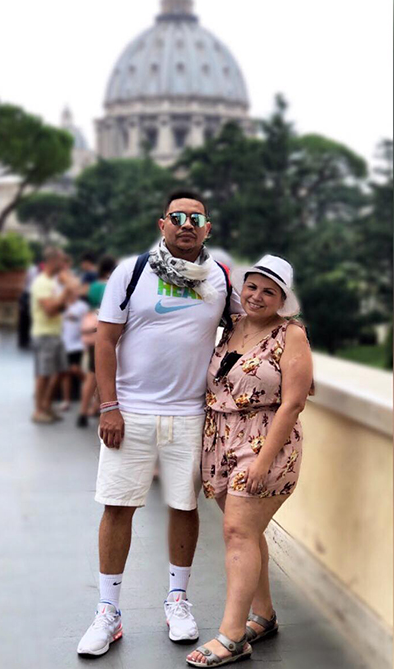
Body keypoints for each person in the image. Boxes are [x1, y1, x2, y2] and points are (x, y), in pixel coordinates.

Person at [77, 189, 241, 657]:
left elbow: (245, 327)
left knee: (183, 507)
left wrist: (293, 356)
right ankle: (108, 612)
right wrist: (109, 407)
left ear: (207, 229)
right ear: (161, 224)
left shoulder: (219, 277)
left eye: (196, 218)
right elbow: (105, 342)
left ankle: (178, 599)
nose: (186, 224)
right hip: (131, 411)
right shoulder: (131, 273)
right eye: (177, 217)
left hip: (190, 412)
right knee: (117, 506)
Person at [186, 254, 313, 667]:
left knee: (238, 531)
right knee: (248, 532)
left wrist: (262, 461)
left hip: (265, 445)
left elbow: (293, 402)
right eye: (252, 287)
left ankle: (233, 635)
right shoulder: (233, 327)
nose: (257, 296)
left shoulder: (290, 334)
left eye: (269, 291)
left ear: (282, 299)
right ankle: (264, 615)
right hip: (221, 441)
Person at [30, 248, 77, 424]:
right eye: (61, 261)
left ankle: (46, 405)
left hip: (55, 333)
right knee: (44, 374)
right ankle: (39, 410)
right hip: (44, 334)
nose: (64, 265)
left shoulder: (52, 282)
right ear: (53, 261)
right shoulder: (42, 282)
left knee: (60, 371)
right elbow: (50, 310)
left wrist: (66, 289)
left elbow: (71, 296)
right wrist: (66, 291)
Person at [76, 255, 116, 428]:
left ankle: (88, 408)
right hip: (103, 332)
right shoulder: (111, 286)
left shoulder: (92, 287)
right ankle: (88, 410)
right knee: (99, 375)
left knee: (92, 374)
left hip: (89, 329)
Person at [60, 292, 89, 410]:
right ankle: (66, 400)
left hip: (77, 344)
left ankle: (92, 388)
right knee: (65, 372)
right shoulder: (61, 305)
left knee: (75, 369)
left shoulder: (82, 306)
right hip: (64, 342)